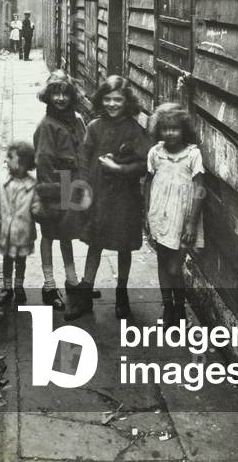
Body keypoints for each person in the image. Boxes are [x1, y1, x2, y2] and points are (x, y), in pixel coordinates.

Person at [65, 75, 151, 322]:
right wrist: (82, 189)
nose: (113, 104)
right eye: (108, 99)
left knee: (124, 245)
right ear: (101, 100)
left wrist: (121, 169)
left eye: (118, 100)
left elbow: (144, 163)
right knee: (95, 242)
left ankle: (122, 293)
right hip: (99, 194)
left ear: (127, 102)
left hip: (125, 198)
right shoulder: (94, 127)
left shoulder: (134, 130)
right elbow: (83, 158)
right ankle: (84, 292)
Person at [145, 104, 205, 326]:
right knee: (162, 262)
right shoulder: (155, 153)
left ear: (184, 130)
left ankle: (180, 308)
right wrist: (147, 214)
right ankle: (168, 308)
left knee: (174, 267)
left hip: (182, 220)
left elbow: (199, 188)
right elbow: (149, 183)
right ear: (159, 130)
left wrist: (191, 223)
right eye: (165, 128)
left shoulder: (192, 154)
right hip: (159, 216)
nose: (170, 133)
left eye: (175, 128)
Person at [33, 71, 88, 311]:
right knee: (49, 234)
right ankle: (48, 284)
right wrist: (51, 194)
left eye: (65, 93)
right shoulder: (47, 126)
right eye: (55, 93)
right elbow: (44, 160)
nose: (61, 98)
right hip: (55, 185)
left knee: (66, 233)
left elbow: (83, 149)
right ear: (48, 96)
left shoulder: (75, 120)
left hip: (72, 183)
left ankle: (72, 280)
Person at [0, 141, 41, 308]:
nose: (6, 160)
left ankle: (19, 286)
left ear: (23, 163)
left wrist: (39, 210)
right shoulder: (3, 180)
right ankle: (7, 288)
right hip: (6, 231)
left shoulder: (32, 185)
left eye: (10, 157)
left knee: (21, 260)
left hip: (23, 232)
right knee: (7, 259)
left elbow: (36, 205)